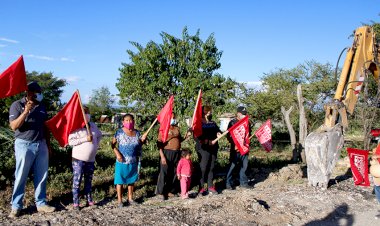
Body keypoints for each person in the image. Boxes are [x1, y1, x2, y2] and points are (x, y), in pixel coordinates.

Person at [8, 81, 56, 218]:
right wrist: (25, 112)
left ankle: (41, 203)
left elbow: (45, 126)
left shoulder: (42, 106)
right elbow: (13, 126)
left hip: (41, 144)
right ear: (28, 92)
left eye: (40, 92)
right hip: (24, 144)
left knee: (42, 175)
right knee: (21, 176)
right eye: (36, 92)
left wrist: (48, 144)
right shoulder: (16, 105)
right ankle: (16, 206)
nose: (39, 94)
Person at [68, 106, 102, 210]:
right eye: (84, 113)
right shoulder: (76, 127)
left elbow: (99, 135)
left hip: (90, 159)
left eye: (88, 112)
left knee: (89, 180)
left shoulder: (93, 126)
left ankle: (89, 199)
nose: (87, 115)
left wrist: (95, 145)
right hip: (78, 159)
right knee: (77, 180)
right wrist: (85, 139)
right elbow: (71, 141)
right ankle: (76, 202)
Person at [111, 114, 147, 207]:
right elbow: (112, 145)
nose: (129, 122)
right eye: (126, 120)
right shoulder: (119, 132)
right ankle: (120, 201)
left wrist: (142, 141)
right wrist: (117, 153)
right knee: (120, 181)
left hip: (133, 160)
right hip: (121, 160)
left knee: (131, 181)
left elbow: (139, 145)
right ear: (123, 122)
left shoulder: (137, 133)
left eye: (130, 120)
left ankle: (130, 199)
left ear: (133, 121)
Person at [156, 113, 190, 200]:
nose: (173, 119)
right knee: (164, 172)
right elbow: (159, 143)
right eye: (171, 117)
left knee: (174, 172)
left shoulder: (177, 128)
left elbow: (179, 139)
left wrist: (186, 137)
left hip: (177, 153)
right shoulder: (163, 128)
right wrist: (162, 156)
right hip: (166, 152)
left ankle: (170, 190)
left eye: (174, 117)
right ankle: (161, 192)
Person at [195, 105, 221, 195]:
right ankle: (201, 187)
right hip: (203, 148)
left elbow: (218, 131)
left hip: (213, 147)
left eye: (210, 111)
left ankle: (210, 186)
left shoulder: (212, 123)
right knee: (203, 168)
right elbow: (197, 136)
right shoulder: (198, 123)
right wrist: (206, 141)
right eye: (208, 111)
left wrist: (218, 133)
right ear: (203, 112)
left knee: (211, 167)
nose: (210, 112)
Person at [226, 106, 251, 190]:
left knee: (244, 166)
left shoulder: (247, 122)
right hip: (235, 148)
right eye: (242, 114)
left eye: (245, 114)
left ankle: (243, 183)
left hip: (244, 148)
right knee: (232, 166)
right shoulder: (232, 122)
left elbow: (248, 134)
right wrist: (235, 144)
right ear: (238, 113)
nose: (244, 115)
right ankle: (228, 183)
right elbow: (228, 135)